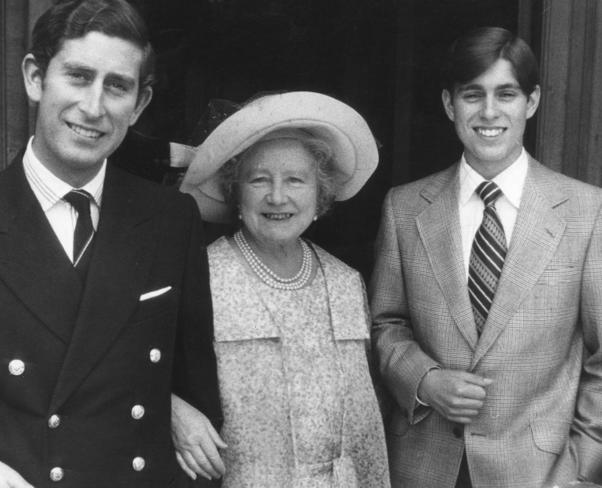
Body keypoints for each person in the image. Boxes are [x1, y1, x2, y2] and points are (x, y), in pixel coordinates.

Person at [0, 1, 221, 486]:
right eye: (78, 76)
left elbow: (195, 385)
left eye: (117, 86)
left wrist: (167, 402)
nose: (94, 107)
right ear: (35, 78)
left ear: (139, 104)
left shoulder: (171, 220)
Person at [369, 26, 602, 488]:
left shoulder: (586, 211)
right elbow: (384, 323)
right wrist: (424, 379)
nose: (489, 112)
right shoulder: (405, 206)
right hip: (423, 466)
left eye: (507, 94)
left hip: (541, 474)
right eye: (473, 95)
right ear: (448, 104)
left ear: (531, 102)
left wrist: (580, 472)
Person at [172, 91, 390, 487]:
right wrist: (170, 409)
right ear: (235, 193)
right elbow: (137, 374)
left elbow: (367, 433)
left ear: (319, 195)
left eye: (295, 179)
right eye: (259, 179)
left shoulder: (345, 283)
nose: (277, 196)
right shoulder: (199, 276)